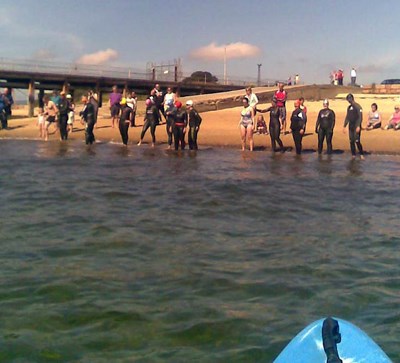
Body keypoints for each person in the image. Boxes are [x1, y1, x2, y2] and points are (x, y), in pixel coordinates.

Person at [343, 93, 364, 159]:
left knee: (357, 140)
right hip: (351, 126)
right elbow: (347, 117)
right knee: (351, 141)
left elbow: (360, 117)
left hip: (356, 125)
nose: (349, 101)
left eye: (349, 99)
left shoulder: (358, 106)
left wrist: (358, 126)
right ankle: (353, 155)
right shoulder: (349, 107)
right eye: (348, 100)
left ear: (352, 98)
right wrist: (344, 125)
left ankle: (361, 154)